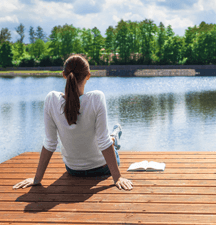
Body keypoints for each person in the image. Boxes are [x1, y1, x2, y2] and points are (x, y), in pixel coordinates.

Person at [13, 54, 133, 191]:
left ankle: (113, 137)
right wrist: (117, 178)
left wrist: (37, 179)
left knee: (106, 139)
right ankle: (114, 137)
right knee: (109, 140)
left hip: (73, 170)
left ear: (64, 75)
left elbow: (50, 143)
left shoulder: (51, 100)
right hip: (102, 168)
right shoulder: (97, 98)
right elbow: (103, 142)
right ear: (88, 75)